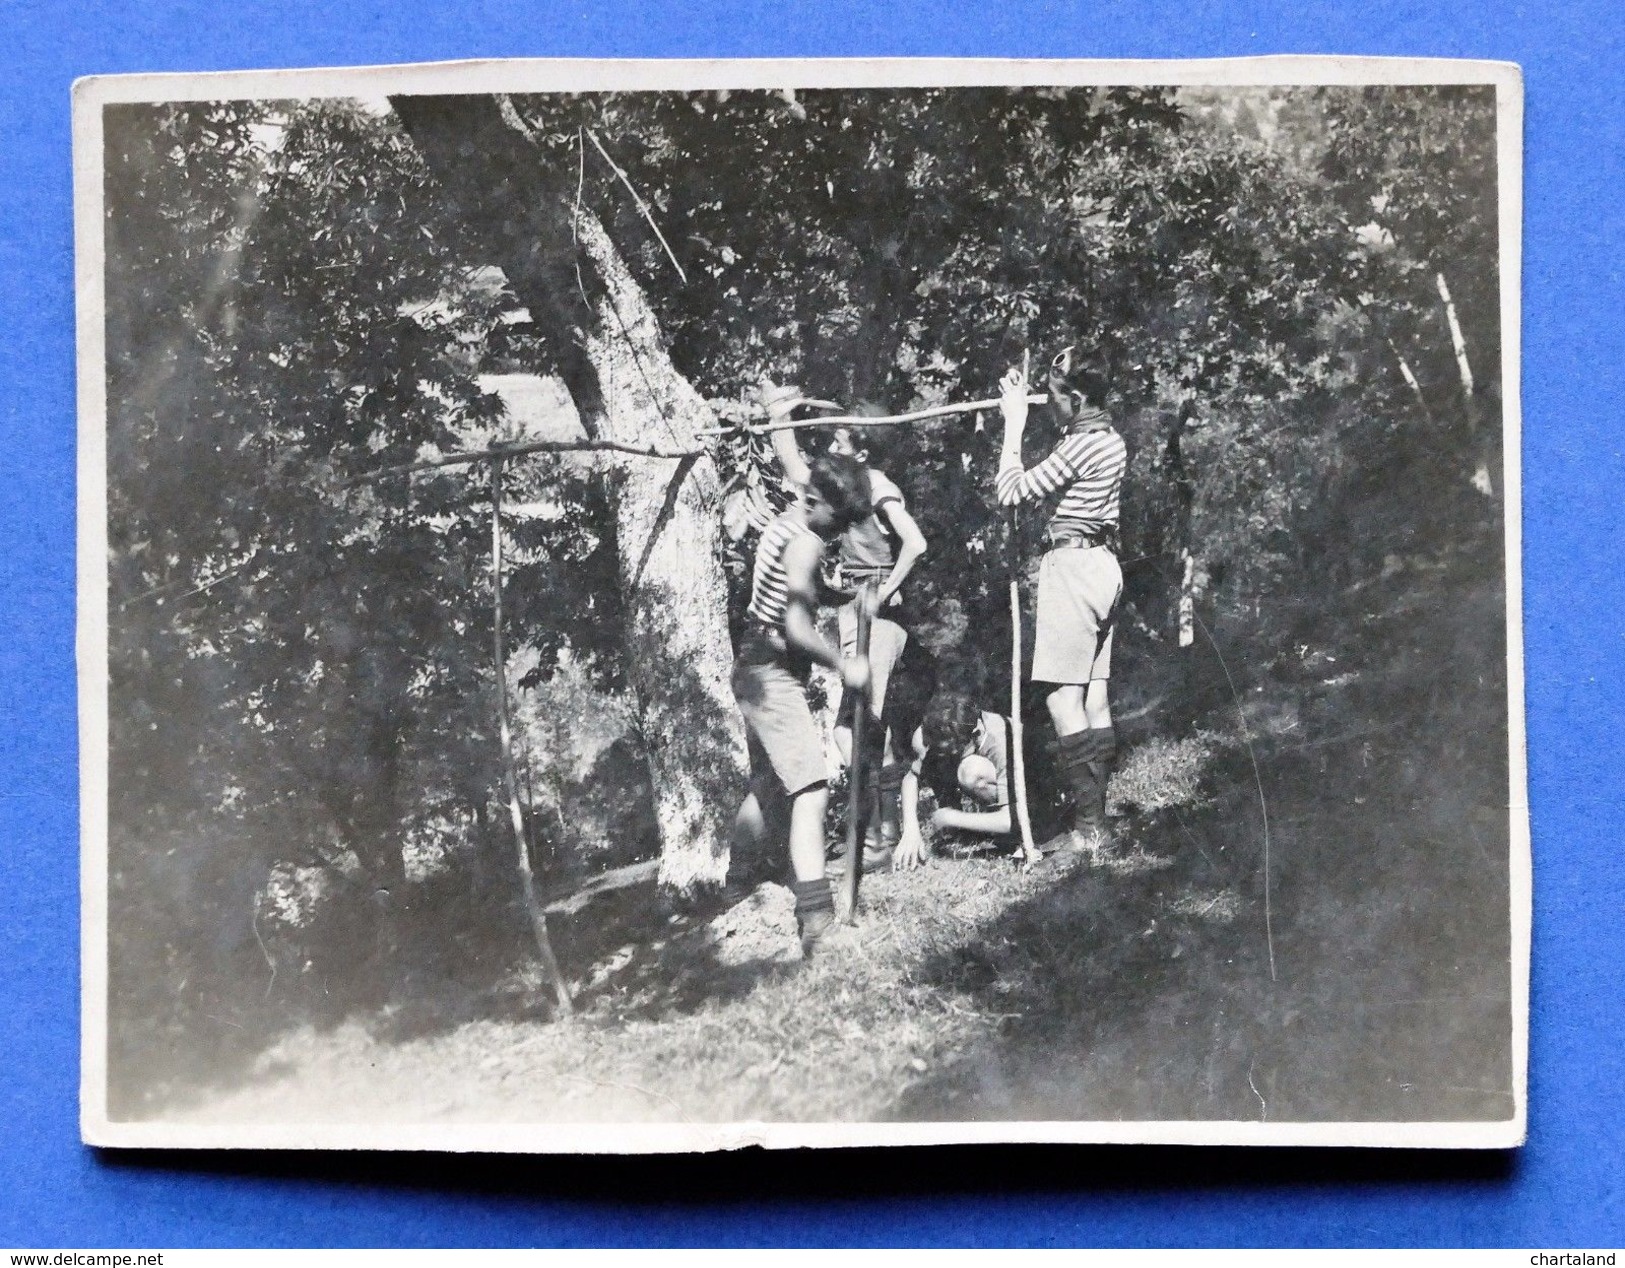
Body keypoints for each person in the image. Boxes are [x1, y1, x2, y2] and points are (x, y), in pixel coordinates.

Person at [768, 398, 928, 868]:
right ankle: (879, 830)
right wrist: (781, 416)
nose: (831, 447)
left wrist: (883, 590)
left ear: (860, 452)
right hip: (851, 608)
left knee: (863, 724)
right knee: (847, 731)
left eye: (839, 440)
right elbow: (797, 467)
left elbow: (915, 542)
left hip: (876, 614)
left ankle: (881, 839)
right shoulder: (844, 484)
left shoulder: (877, 486)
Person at [729, 449, 876, 953]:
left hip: (758, 662)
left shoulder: (790, 522)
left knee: (773, 783)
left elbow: (797, 593)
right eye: (836, 525)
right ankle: (816, 917)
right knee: (811, 788)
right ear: (816, 502)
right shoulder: (807, 543)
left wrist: (840, 596)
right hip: (769, 668)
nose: (837, 537)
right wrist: (844, 664)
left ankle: (737, 878)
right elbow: (795, 624)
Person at [994, 346, 1128, 856]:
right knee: (1094, 696)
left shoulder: (1080, 446)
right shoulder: (1108, 438)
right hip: (1102, 567)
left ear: (1075, 399)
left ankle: (1089, 828)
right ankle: (1099, 819)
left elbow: (1013, 492)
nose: (1046, 405)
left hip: (1072, 569)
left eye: (1052, 397)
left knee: (1060, 699)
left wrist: (1012, 425)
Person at [893, 691, 1016, 869]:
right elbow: (911, 778)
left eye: (952, 751)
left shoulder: (1000, 740)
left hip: (1034, 799)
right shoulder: (940, 728)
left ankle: (1013, 835)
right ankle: (967, 830)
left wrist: (953, 818)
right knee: (926, 750)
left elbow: (1009, 819)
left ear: (975, 734)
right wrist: (911, 830)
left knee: (971, 771)